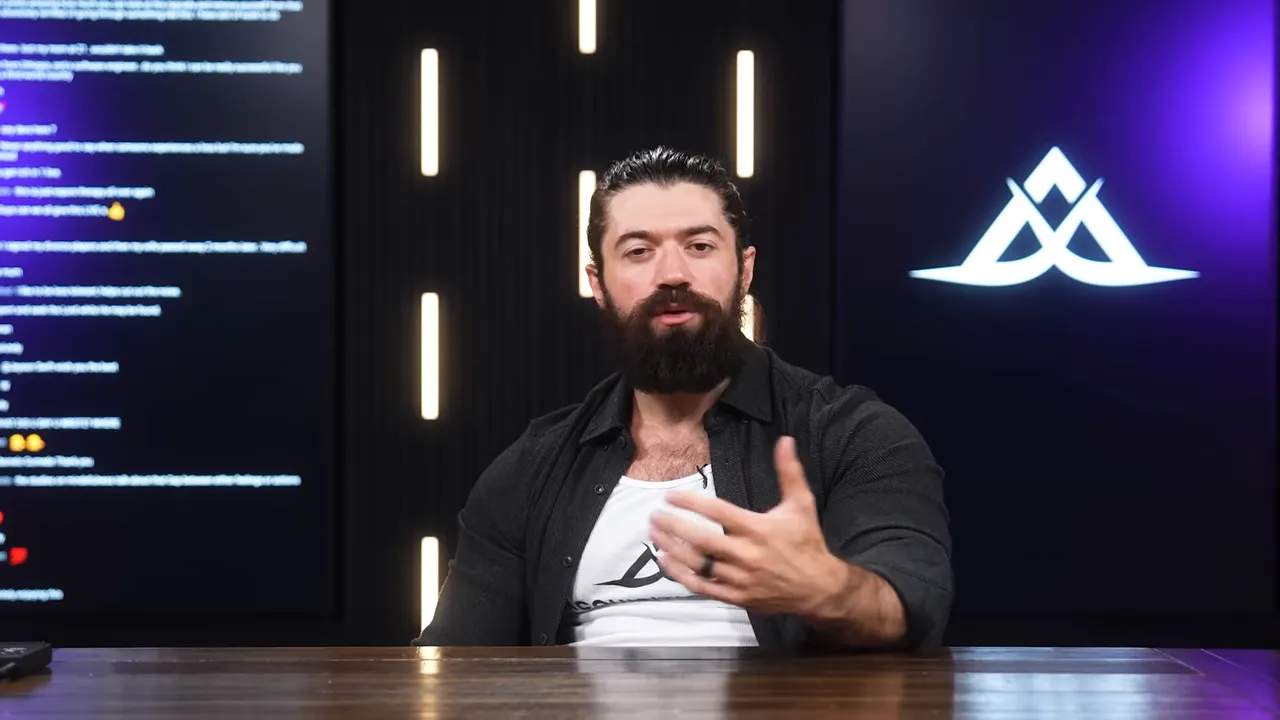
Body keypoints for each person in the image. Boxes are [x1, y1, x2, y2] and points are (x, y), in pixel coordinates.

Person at [413, 147, 952, 649]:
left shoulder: (852, 433)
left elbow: (912, 602)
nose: (672, 274)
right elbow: (451, 661)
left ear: (745, 269)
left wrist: (827, 589)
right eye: (639, 250)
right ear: (598, 284)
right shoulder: (533, 469)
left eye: (699, 246)